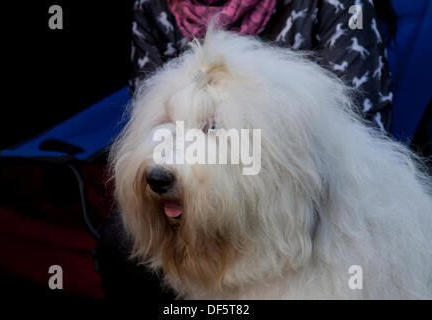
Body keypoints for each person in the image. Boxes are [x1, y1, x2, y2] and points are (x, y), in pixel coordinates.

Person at [97, 0, 396, 302]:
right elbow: (147, 117)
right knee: (120, 244)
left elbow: (354, 137)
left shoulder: (338, 5)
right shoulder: (152, 7)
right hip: (206, 240)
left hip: (302, 210)